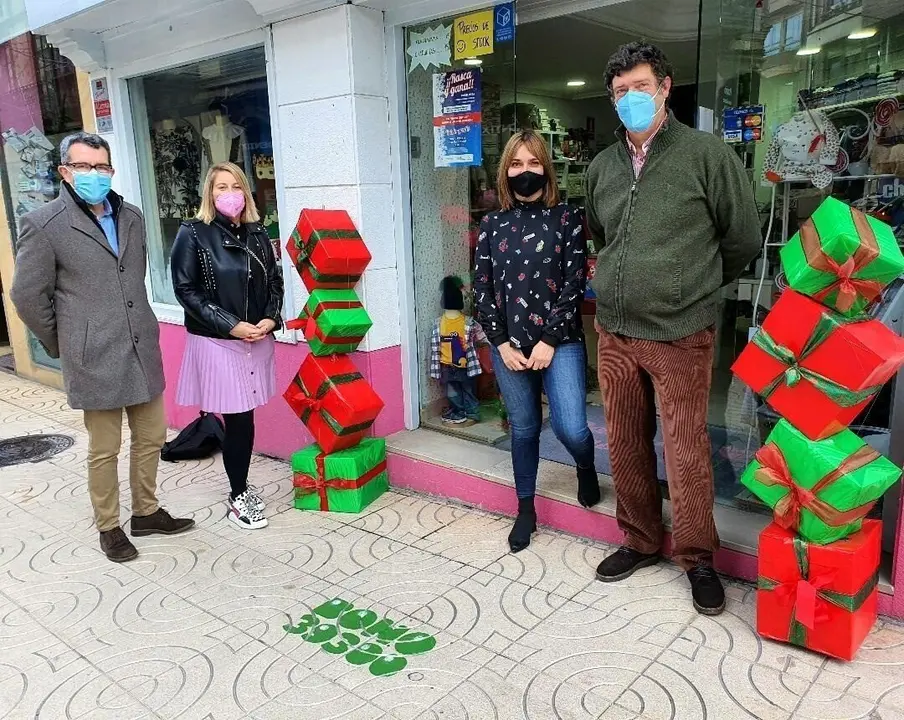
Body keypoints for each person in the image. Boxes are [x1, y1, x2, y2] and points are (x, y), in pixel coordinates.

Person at [585, 42, 762, 615]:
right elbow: (601, 237)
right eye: (619, 92)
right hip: (615, 331)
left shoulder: (707, 156)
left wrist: (695, 287)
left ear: (664, 87)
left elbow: (741, 240)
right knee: (626, 441)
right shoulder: (601, 168)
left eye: (640, 87)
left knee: (686, 451)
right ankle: (639, 539)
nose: (630, 99)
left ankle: (698, 557)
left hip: (680, 331)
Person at [10, 132, 195, 563]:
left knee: (151, 437)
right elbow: (26, 296)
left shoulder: (130, 215)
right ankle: (109, 526)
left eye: (101, 166)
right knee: (105, 448)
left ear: (111, 169)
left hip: (139, 347)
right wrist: (65, 341)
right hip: (93, 356)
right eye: (83, 166)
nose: (94, 174)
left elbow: (133, 276)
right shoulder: (44, 224)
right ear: (64, 172)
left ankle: (146, 512)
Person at [475, 130, 600, 554]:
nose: (524, 172)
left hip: (559, 342)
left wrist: (548, 339)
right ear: (504, 171)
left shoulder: (567, 218)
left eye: (532, 164)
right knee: (524, 429)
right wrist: (502, 343)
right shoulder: (492, 224)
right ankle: (525, 508)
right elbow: (483, 289)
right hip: (509, 345)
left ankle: (585, 465)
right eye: (516, 164)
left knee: (570, 426)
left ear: (546, 169)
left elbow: (574, 282)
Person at [170, 161, 283, 530]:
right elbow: (186, 290)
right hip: (221, 342)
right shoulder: (193, 233)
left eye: (235, 186)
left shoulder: (257, 233)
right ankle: (238, 495)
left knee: (245, 417)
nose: (229, 194)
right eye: (221, 187)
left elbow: (275, 281)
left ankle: (239, 484)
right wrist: (231, 325)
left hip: (257, 338)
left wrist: (271, 317)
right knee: (239, 417)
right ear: (209, 192)